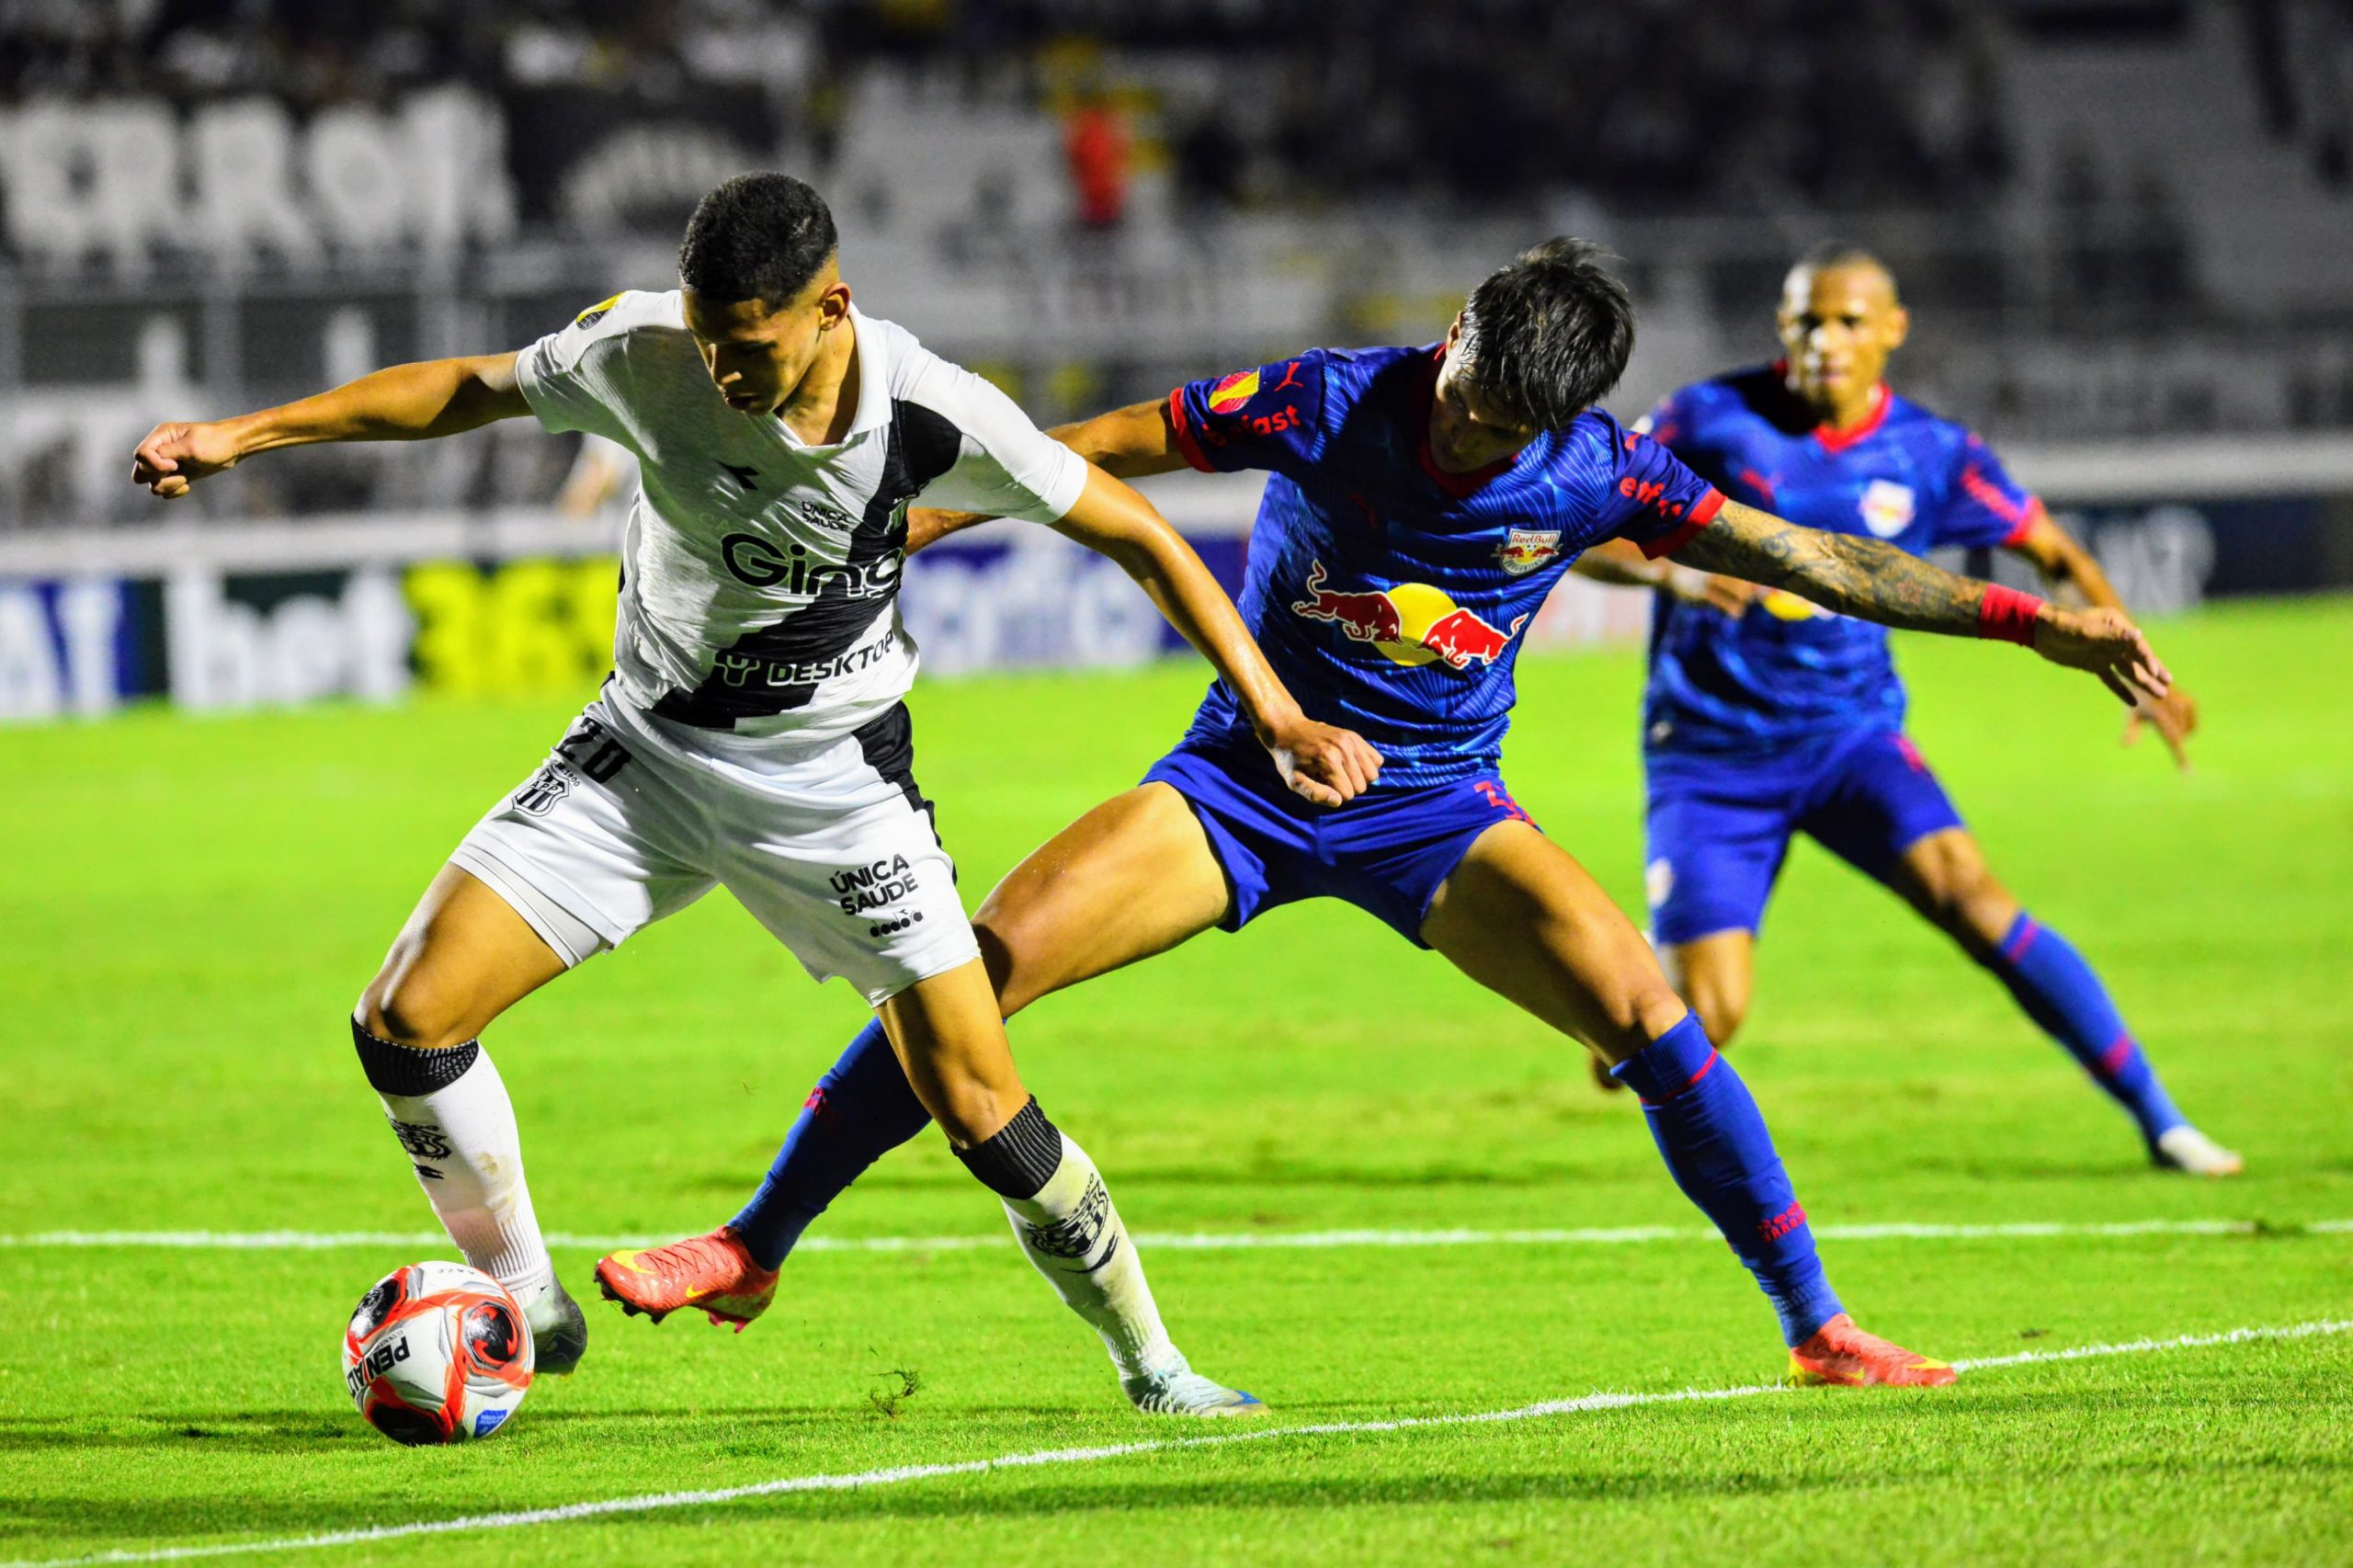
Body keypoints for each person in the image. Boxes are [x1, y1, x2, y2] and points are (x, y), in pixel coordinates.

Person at [598, 239, 2177, 1389]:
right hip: (1244, 778)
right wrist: (918, 520)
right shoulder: (1328, 398)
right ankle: (753, 1246)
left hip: (1435, 812)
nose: (1468, 430)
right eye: (1467, 392)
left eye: (1503, 427)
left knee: (1654, 1017)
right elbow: (1096, 452)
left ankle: (1817, 1326)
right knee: (977, 967)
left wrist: (2048, 624)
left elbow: (1835, 566)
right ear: (1453, 332)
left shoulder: (1603, 473)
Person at [131, 172, 1381, 1421]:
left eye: (749, 344)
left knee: (981, 1104)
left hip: (834, 791)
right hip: (645, 758)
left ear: (831, 306)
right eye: (709, 337)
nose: (721, 368)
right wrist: (241, 436)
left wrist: (1273, 711)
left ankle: (1153, 1364)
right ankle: (529, 1300)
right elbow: (469, 388)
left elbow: (1142, 535)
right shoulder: (646, 350)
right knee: (404, 1017)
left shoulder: (938, 414)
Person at [1571, 247, 2237, 1176]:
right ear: (1781, 328)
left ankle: (2163, 1120)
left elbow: (2050, 552)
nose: (1826, 340)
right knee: (1701, 1019)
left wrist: (2137, 664)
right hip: (1712, 755)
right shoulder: (1707, 417)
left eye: (1848, 321)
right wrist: (1676, 568)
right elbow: (1580, 520)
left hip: (1851, 738)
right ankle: (1630, 1001)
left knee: (1976, 899)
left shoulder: (1931, 453)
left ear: (1892, 329)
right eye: (1808, 321)